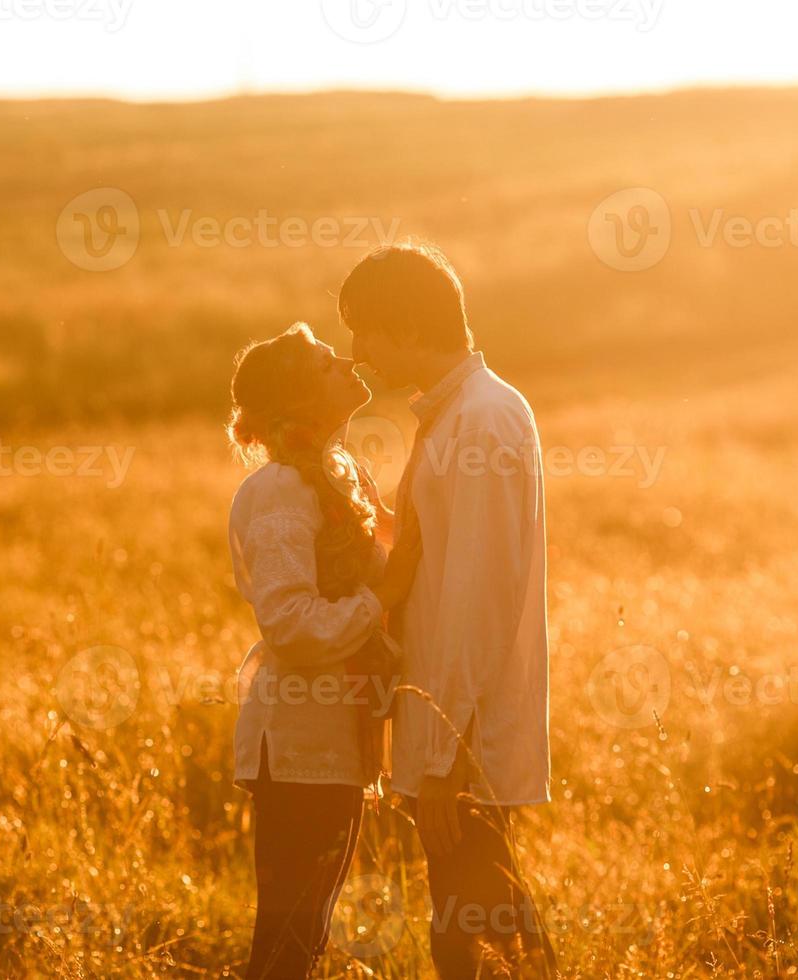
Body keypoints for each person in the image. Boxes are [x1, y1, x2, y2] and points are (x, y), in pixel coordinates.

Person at [339, 242, 557, 978]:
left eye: (362, 329)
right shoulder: (460, 413)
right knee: (489, 935)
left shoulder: (485, 419)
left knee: (470, 947)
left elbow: (480, 594)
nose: (357, 352)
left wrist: (443, 760)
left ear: (403, 324)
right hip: (450, 736)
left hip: (462, 747)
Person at [226, 323, 418, 979]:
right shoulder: (281, 489)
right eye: (322, 359)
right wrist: (381, 598)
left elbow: (399, 549)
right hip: (300, 744)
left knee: (303, 943)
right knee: (285, 945)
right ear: (298, 398)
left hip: (340, 740)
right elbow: (290, 624)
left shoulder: (341, 479)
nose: (344, 358)